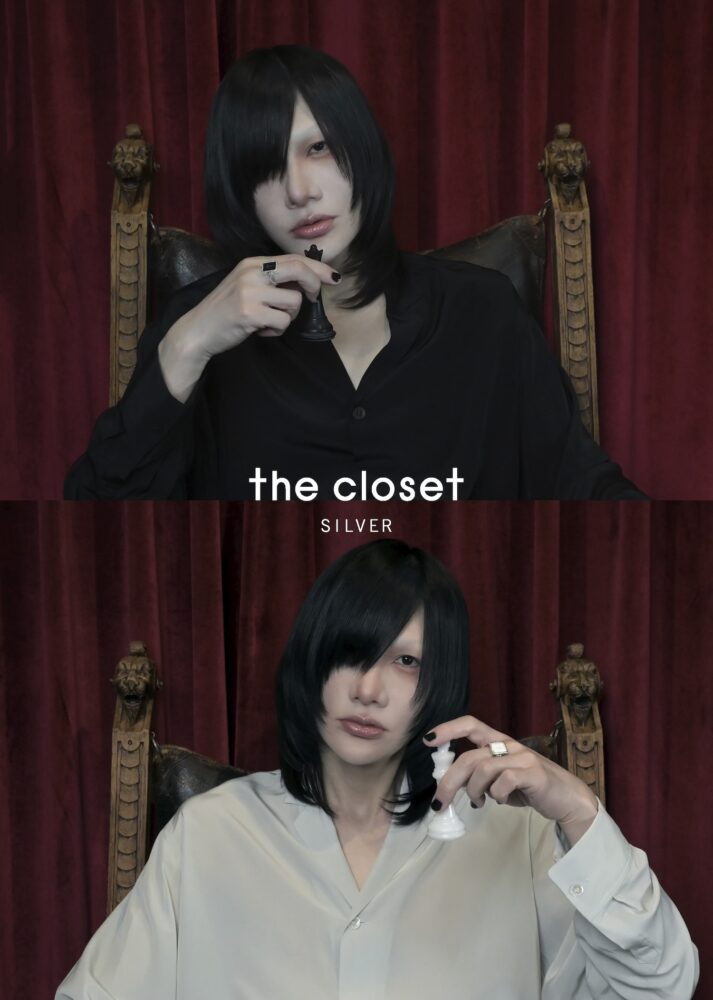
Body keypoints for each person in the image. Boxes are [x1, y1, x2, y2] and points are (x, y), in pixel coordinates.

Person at [56, 539, 697, 998]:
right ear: (311, 662)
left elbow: (663, 984)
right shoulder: (208, 835)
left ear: (441, 680)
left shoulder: (521, 838)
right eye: (350, 654)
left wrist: (579, 811)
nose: (368, 690)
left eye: (406, 662)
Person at [64, 46, 644, 500]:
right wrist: (186, 346)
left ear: (363, 150)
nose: (299, 192)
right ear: (241, 196)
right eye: (265, 168)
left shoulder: (483, 311)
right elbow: (102, 507)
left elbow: (582, 484)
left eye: (318, 148)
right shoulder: (194, 326)